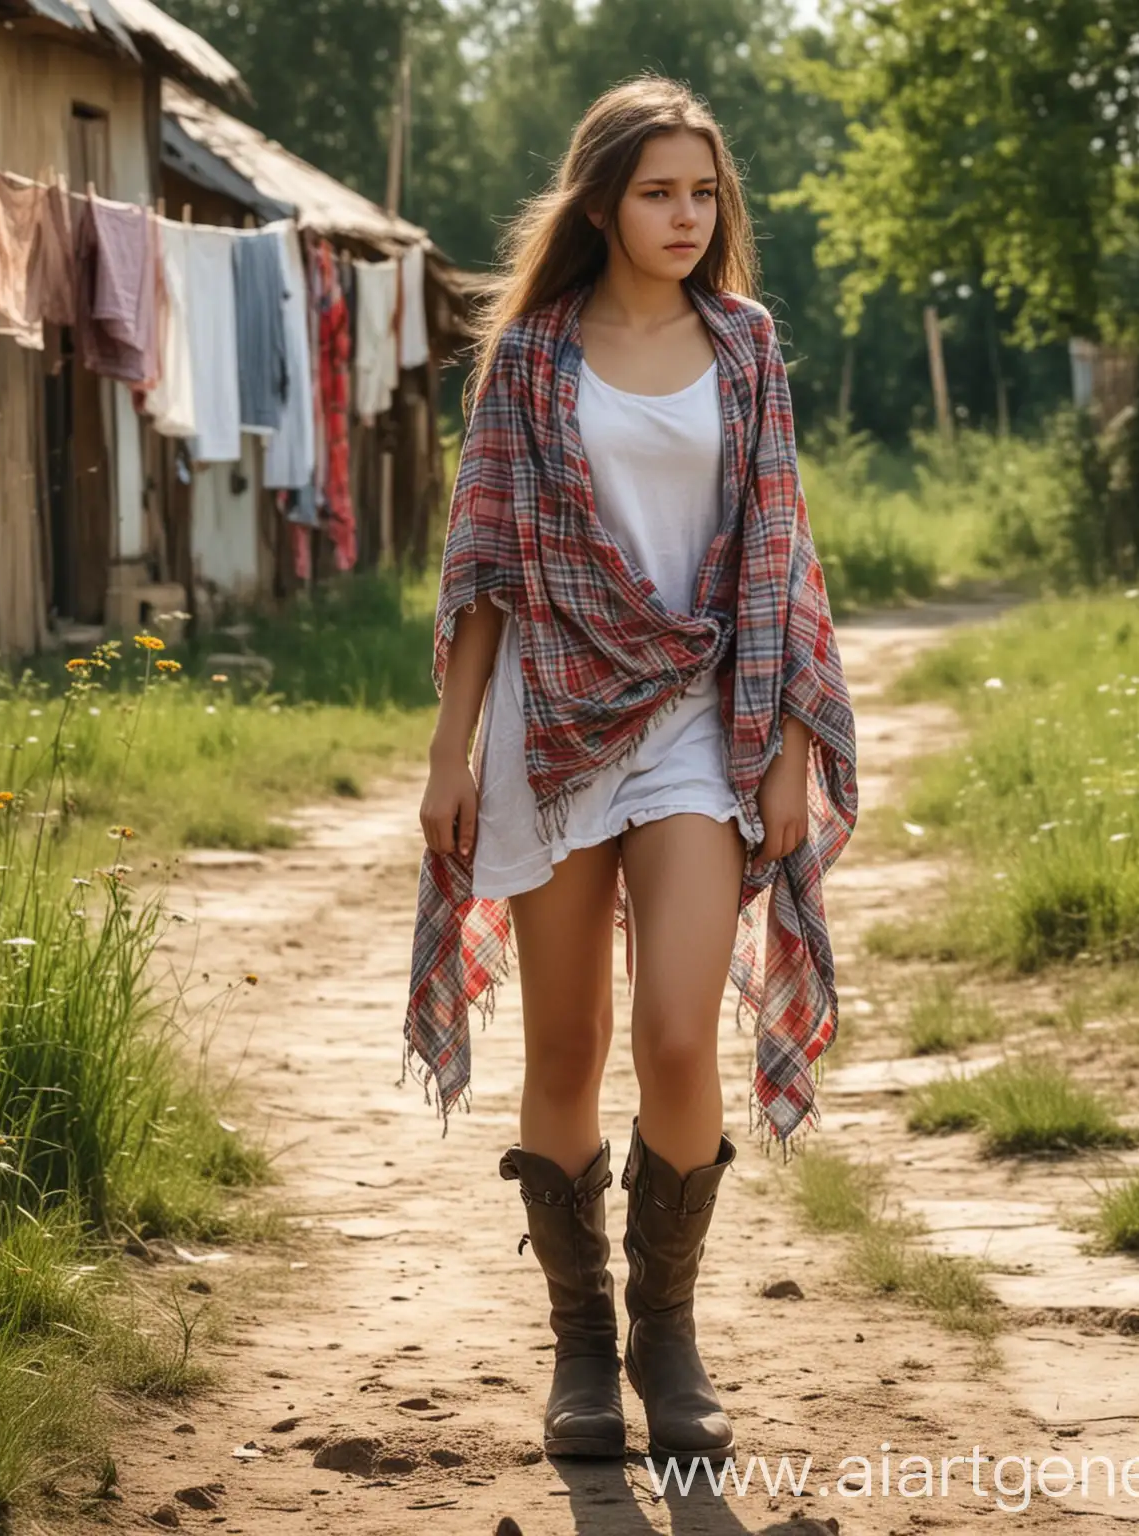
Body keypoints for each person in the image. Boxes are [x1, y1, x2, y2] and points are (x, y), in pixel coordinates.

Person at [404, 73, 858, 1466]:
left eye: (703, 192)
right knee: (569, 1048)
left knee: (673, 1035)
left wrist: (787, 746)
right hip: (547, 722)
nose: (685, 214)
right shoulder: (532, 356)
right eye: (658, 190)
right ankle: (584, 1353)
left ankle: (672, 1334)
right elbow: (485, 570)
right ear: (602, 200)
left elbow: (777, 558)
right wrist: (450, 755)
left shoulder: (746, 347)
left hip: (698, 721)